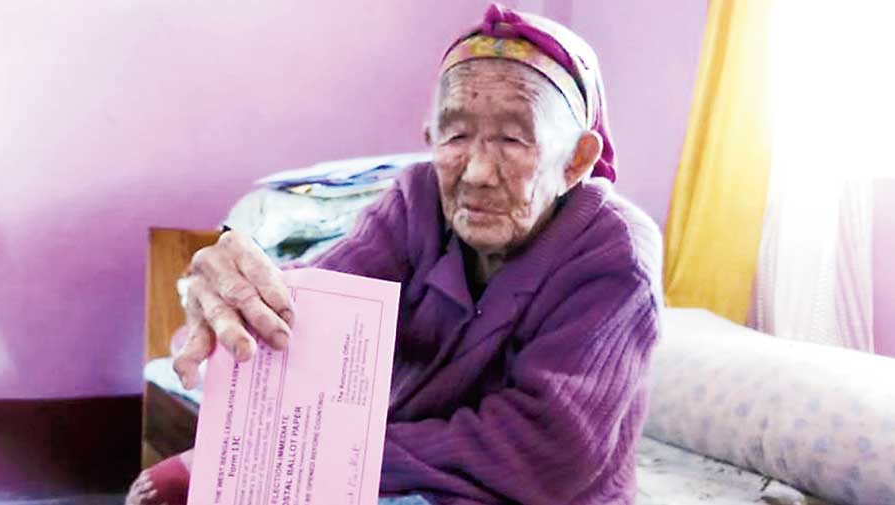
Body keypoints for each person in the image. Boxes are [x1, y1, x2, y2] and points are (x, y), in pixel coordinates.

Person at [127, 4, 662, 504]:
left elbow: (542, 451)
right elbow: (309, 317)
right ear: (430, 138)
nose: (475, 173)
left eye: (513, 141)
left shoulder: (614, 254)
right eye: (455, 135)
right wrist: (239, 296)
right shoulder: (417, 200)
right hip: (406, 476)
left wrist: (336, 460)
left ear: (576, 160)